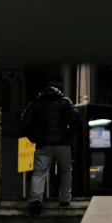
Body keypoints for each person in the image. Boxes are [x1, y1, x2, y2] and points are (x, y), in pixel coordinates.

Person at [21, 78, 80, 215]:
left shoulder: (36, 103)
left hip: (43, 144)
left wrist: (33, 138)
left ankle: (36, 200)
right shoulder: (65, 101)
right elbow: (76, 117)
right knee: (66, 170)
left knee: (39, 173)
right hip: (62, 144)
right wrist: (68, 135)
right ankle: (64, 200)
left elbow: (24, 120)